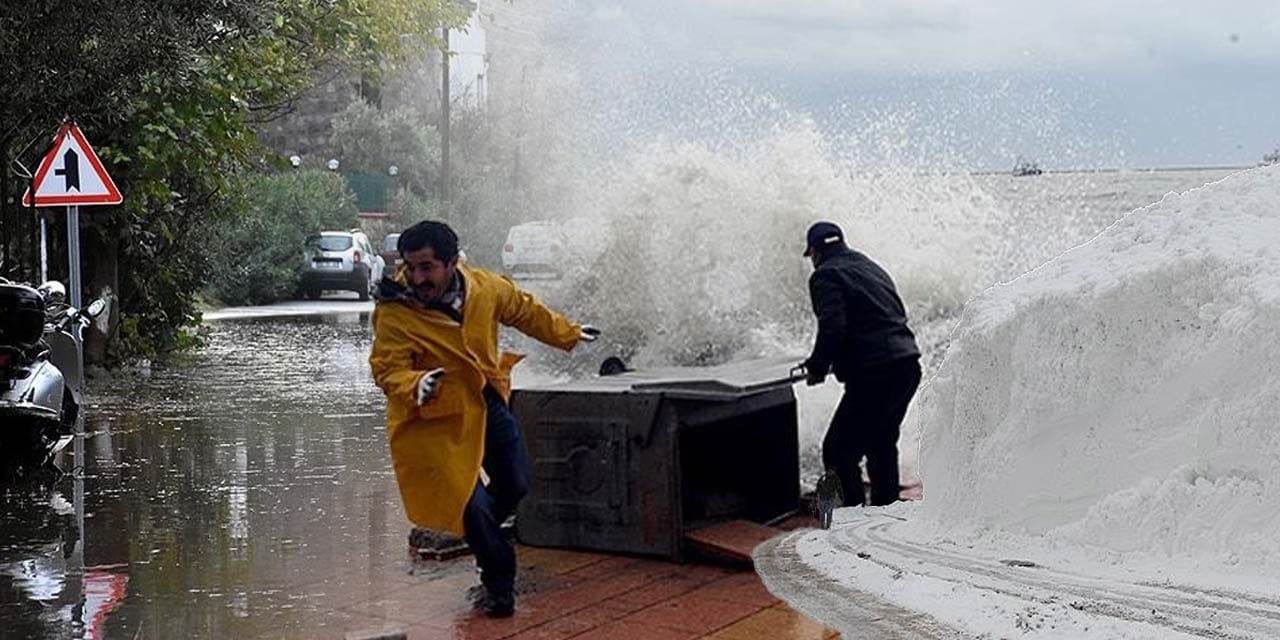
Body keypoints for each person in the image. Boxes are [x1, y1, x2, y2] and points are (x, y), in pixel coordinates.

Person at [368, 220, 599, 617]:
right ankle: (498, 585)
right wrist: (415, 383)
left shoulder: (485, 288)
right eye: (411, 266)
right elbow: (386, 369)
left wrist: (569, 333)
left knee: (516, 482)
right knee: (471, 506)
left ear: (452, 262)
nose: (417, 277)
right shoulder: (395, 312)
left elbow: (526, 311)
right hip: (433, 420)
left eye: (427, 267)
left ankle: (481, 535)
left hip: (485, 399)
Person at [800, 221, 921, 508]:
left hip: (876, 374)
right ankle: (886, 514)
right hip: (907, 365)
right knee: (881, 445)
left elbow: (833, 327)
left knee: (838, 451)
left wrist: (817, 366)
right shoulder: (869, 267)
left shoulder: (825, 276)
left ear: (815, 252)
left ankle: (851, 519)